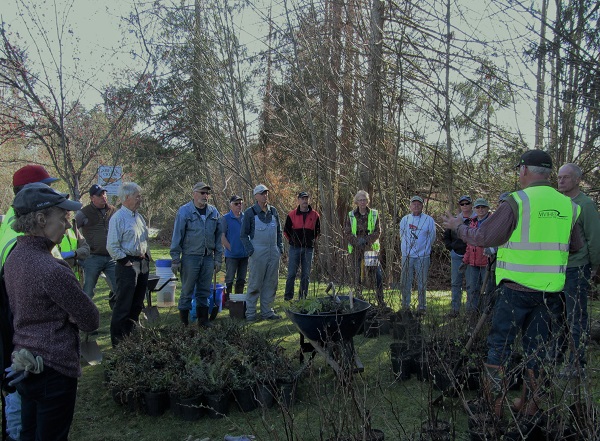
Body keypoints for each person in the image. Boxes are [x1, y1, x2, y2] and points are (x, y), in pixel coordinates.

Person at [442, 149, 581, 419]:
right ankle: (530, 406)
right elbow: (574, 246)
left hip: (515, 291)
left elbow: (483, 236)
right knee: (536, 351)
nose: (519, 174)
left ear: (525, 170)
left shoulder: (518, 201)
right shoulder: (568, 205)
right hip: (550, 294)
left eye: (519, 169)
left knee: (499, 348)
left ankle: (494, 407)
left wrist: (458, 226)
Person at [4, 183, 99, 441]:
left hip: (25, 364)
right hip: (54, 370)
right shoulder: (52, 269)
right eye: (63, 218)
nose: (68, 225)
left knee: (29, 433)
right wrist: (69, 314)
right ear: (41, 219)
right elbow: (90, 319)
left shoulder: (14, 257)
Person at [0, 164, 59, 441]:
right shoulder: (20, 234)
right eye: (47, 187)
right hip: (17, 334)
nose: (52, 191)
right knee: (20, 405)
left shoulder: (16, 221)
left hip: (18, 328)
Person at [552, 163, 600, 375]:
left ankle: (576, 364)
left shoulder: (585, 205)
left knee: (576, 317)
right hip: (556, 270)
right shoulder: (557, 203)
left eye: (566, 178)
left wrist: (594, 267)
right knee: (557, 317)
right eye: (559, 177)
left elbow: (594, 238)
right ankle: (555, 359)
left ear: (577, 180)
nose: (561, 181)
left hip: (577, 269)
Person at [170, 182, 223, 327]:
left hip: (207, 258)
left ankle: (203, 321)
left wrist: (218, 259)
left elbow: (219, 238)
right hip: (190, 257)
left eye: (207, 193)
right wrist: (175, 259)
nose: (205, 196)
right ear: (194, 193)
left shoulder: (213, 212)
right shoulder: (184, 211)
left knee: (204, 291)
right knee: (187, 291)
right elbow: (177, 236)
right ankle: (184, 323)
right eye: (202, 193)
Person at [107, 182, 150, 347]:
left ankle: (130, 339)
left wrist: (146, 257)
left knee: (137, 304)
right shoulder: (118, 218)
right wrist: (126, 262)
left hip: (142, 263)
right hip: (128, 264)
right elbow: (112, 245)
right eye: (137, 196)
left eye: (140, 196)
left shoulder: (139, 217)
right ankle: (118, 344)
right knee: (123, 306)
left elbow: (143, 240)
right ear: (126, 198)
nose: (140, 199)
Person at [240, 184, 283, 321]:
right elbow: (243, 235)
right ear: (256, 196)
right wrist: (251, 251)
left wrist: (280, 248)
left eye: (266, 193)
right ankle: (251, 313)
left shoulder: (274, 211)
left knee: (271, 283)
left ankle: (267, 312)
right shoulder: (249, 213)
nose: (265, 195)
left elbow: (279, 232)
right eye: (262, 193)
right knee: (255, 283)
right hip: (257, 252)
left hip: (273, 252)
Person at [75, 184, 117, 305]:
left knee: (119, 287)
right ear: (92, 198)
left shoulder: (113, 211)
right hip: (92, 257)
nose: (103, 196)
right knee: (88, 289)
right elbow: (72, 230)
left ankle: (119, 314)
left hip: (111, 257)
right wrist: (80, 248)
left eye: (104, 193)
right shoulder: (84, 213)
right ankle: (83, 314)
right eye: (100, 195)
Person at [343, 190, 385, 307]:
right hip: (356, 250)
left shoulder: (374, 214)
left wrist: (366, 240)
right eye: (360, 200)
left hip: (370, 249)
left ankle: (380, 300)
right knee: (357, 277)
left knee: (377, 275)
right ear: (356, 202)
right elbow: (347, 232)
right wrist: (357, 242)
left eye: (364, 200)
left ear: (368, 201)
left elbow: (378, 231)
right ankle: (358, 301)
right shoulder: (351, 215)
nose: (362, 202)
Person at [398, 195, 436, 312]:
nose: (416, 206)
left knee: (422, 283)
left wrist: (424, 249)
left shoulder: (428, 220)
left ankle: (422, 307)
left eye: (418, 204)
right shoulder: (405, 219)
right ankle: (405, 306)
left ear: (422, 206)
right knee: (405, 282)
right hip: (407, 256)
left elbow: (432, 236)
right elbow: (401, 235)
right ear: (410, 206)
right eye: (414, 204)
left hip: (422, 257)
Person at [283, 191, 321, 300]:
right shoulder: (292, 214)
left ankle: (302, 298)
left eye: (306, 198)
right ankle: (288, 297)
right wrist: (293, 241)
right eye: (302, 198)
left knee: (306, 275)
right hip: (294, 248)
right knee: (291, 274)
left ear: (309, 200)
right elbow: (286, 231)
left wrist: (311, 241)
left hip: (308, 249)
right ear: (298, 200)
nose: (305, 201)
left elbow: (318, 232)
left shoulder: (315, 215)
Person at [443, 195, 474, 318]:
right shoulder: (455, 220)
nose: (465, 206)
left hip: (471, 256)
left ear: (471, 205)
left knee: (471, 285)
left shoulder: (475, 219)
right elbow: (446, 236)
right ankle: (455, 310)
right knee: (456, 283)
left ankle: (470, 311)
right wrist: (451, 247)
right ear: (460, 206)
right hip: (456, 255)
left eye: (467, 204)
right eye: (462, 204)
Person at [462, 198, 491, 315]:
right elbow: (469, 243)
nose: (480, 210)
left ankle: (486, 315)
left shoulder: (492, 221)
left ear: (487, 208)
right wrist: (465, 260)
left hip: (487, 263)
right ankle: (471, 315)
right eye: (478, 207)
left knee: (487, 291)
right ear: (474, 209)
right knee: (472, 289)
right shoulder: (472, 222)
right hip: (473, 263)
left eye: (483, 207)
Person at [221, 195, 249, 297]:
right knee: (229, 279)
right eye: (236, 204)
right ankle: (228, 299)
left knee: (241, 279)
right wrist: (230, 248)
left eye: (240, 203)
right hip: (232, 256)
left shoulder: (245, 217)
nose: (239, 205)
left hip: (244, 255)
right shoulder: (225, 218)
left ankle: (238, 300)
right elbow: (222, 236)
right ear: (231, 205)